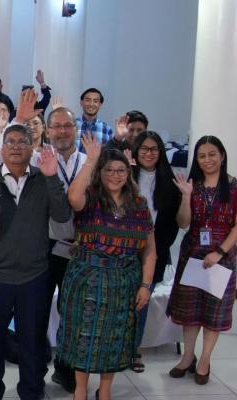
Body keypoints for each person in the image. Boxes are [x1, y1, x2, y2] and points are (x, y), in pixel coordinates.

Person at [0, 124, 71, 400]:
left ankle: (31, 391)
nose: (16, 146)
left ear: (32, 148)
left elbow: (63, 217)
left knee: (32, 341)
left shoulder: (45, 178)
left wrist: (53, 178)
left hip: (35, 276)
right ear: (1, 149)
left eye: (22, 142)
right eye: (11, 141)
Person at [56, 138, 156, 400]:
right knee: (84, 337)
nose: (115, 175)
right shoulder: (90, 198)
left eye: (120, 170)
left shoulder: (139, 204)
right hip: (87, 278)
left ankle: (106, 390)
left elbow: (149, 251)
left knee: (115, 338)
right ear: (100, 173)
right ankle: (80, 390)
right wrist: (90, 160)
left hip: (124, 280)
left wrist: (146, 285)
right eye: (109, 170)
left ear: (128, 173)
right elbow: (72, 197)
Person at [167, 135, 237, 385]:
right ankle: (188, 357)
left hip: (223, 257)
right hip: (192, 255)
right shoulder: (192, 185)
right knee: (190, 311)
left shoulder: (234, 186)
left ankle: (205, 359)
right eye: (202, 155)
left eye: (212, 154)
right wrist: (185, 196)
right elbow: (183, 223)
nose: (207, 160)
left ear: (222, 156)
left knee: (214, 313)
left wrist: (219, 251)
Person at [43, 107, 87, 393]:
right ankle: (37, 366)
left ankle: (67, 368)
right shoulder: (39, 161)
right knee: (37, 308)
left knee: (72, 310)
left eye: (67, 125)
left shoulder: (89, 162)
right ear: (47, 132)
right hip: (45, 247)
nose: (62, 131)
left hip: (80, 247)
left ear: (76, 129)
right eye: (56, 126)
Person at [130, 131, 181, 373]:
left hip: (154, 252)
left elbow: (172, 224)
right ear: (136, 151)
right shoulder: (125, 175)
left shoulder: (170, 184)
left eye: (154, 149)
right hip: (124, 250)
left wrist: (156, 250)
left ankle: (134, 350)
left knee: (142, 302)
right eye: (144, 149)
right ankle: (116, 348)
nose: (149, 153)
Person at [76, 88, 113, 152]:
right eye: (88, 100)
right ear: (81, 102)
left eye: (95, 101)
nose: (91, 104)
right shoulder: (72, 125)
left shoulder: (107, 129)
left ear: (100, 105)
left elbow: (109, 156)